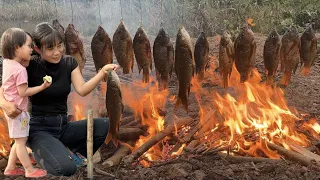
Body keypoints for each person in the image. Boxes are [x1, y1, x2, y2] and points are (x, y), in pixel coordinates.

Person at [0, 22, 118, 176]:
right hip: (39, 129)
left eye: (59, 45)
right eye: (50, 48)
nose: (57, 52)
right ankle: (39, 155)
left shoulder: (69, 63)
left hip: (63, 126)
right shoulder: (28, 65)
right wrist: (4, 103)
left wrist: (102, 72)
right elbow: (4, 81)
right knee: (67, 169)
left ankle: (74, 154)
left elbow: (82, 89)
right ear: (37, 48)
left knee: (105, 125)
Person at [1, 28, 50, 178]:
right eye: (29, 46)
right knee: (21, 142)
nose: (31, 50)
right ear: (17, 47)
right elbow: (24, 92)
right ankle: (29, 170)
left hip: (12, 110)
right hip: (18, 112)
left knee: (18, 140)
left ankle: (9, 168)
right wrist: (42, 87)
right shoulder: (20, 70)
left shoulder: (7, 63)